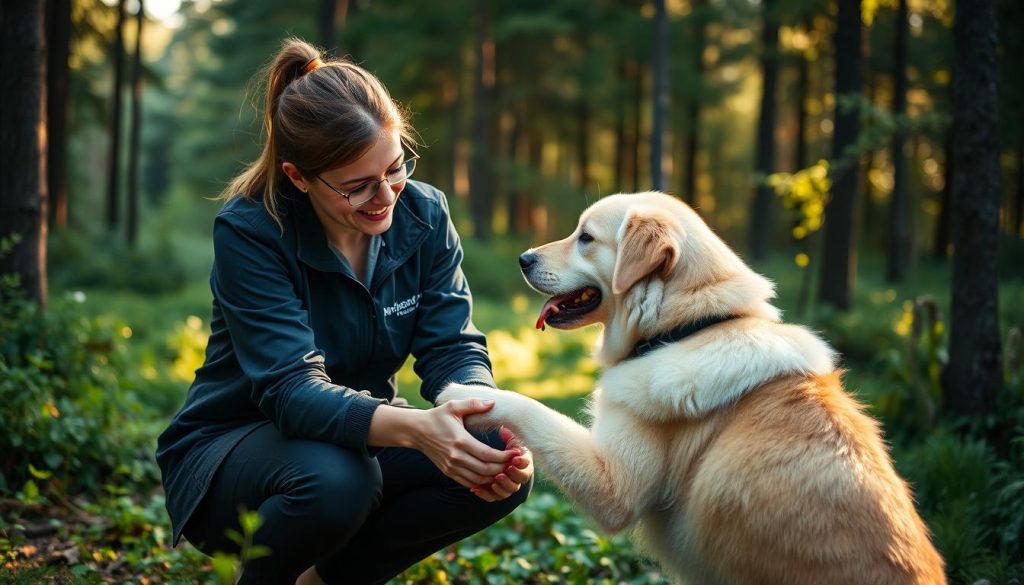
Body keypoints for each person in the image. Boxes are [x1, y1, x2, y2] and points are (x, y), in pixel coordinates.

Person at [155, 37, 534, 585]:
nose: (385, 197)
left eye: (396, 169)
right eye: (358, 187)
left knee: (495, 460)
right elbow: (290, 391)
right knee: (339, 480)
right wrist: (417, 430)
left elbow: (452, 346)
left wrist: (479, 414)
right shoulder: (251, 231)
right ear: (298, 177)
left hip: (357, 443)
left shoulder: (424, 214)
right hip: (231, 455)